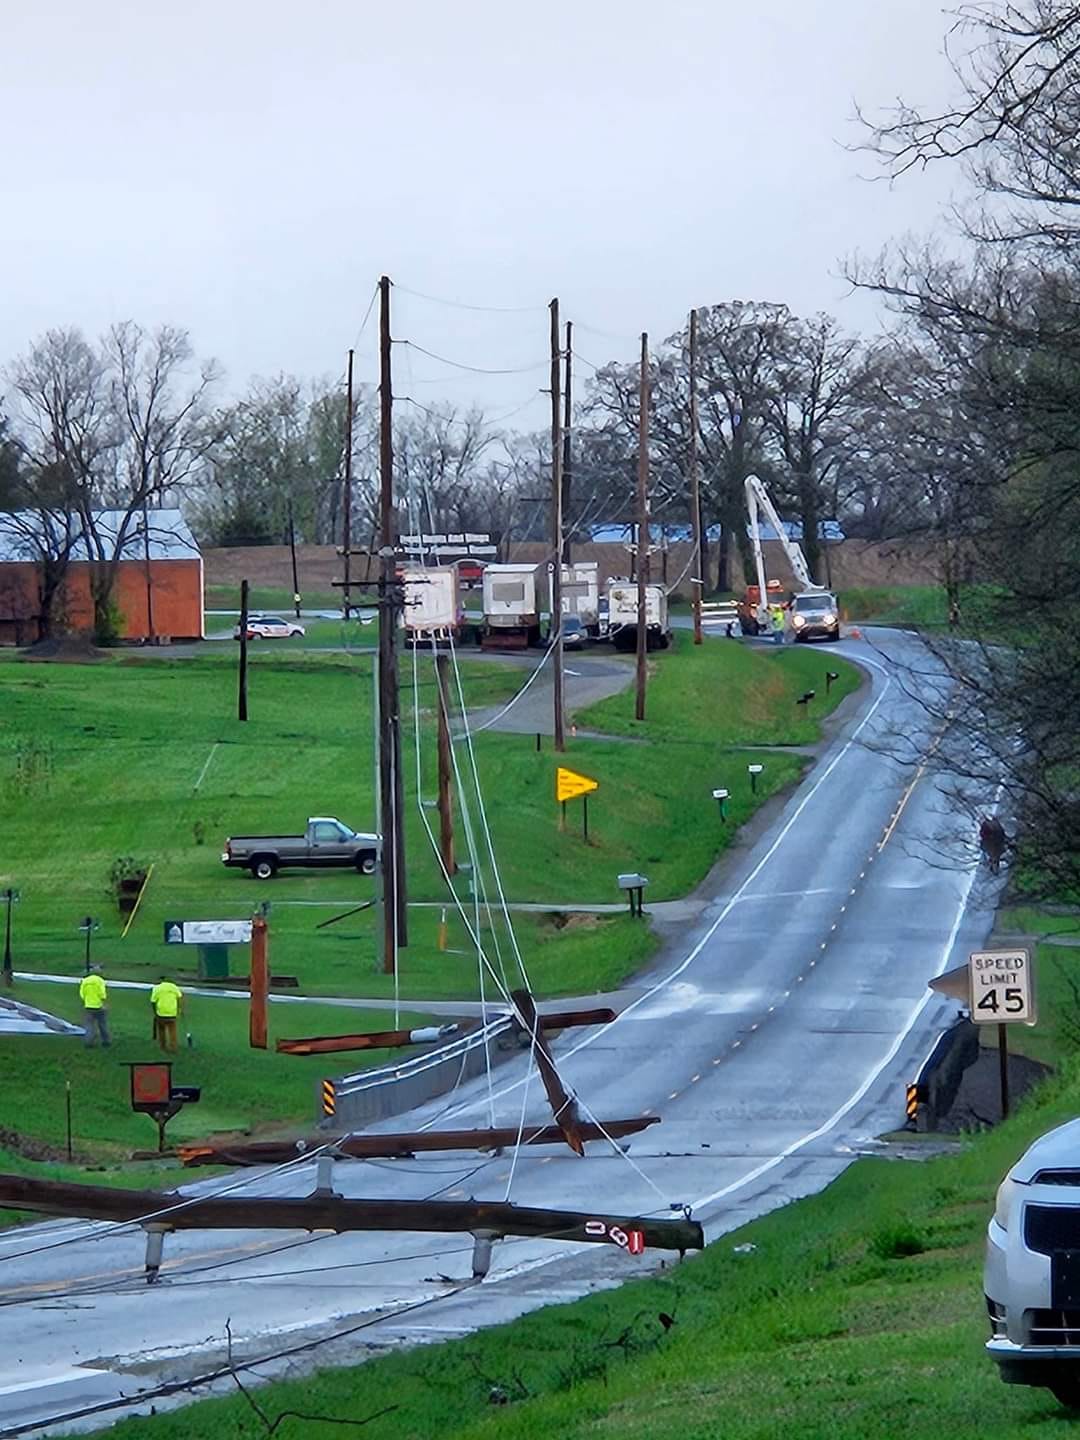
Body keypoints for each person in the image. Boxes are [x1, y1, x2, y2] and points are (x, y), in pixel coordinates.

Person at [78, 964, 110, 1048]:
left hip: (88, 1006)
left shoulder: (85, 981)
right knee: (102, 1024)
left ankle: (89, 1042)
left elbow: (82, 994)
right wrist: (104, 1003)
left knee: (89, 1025)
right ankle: (105, 1041)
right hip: (99, 1006)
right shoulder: (100, 981)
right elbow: (102, 994)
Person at [150, 974, 183, 1053]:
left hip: (161, 1013)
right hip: (172, 1013)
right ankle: (173, 1047)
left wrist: (155, 1012)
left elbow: (153, 1002)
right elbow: (180, 998)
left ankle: (163, 1047)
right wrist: (180, 1009)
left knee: (161, 1030)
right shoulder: (174, 987)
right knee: (172, 1031)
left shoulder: (157, 988)